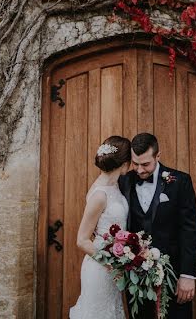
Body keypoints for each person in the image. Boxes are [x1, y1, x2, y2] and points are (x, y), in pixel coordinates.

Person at [119, 133, 196, 319]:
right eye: (135, 163)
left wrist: (188, 275)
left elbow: (190, 229)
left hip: (174, 275)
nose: (139, 170)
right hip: (135, 279)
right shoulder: (123, 181)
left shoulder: (180, 181)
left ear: (158, 156)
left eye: (145, 164)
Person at [69, 135, 132, 319]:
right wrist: (111, 262)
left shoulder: (114, 185)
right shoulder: (99, 195)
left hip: (113, 271)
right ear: (124, 164)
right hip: (99, 269)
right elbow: (82, 240)